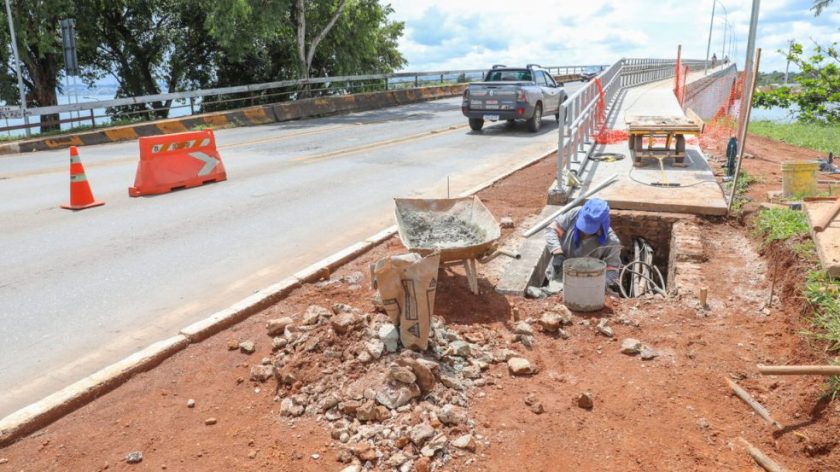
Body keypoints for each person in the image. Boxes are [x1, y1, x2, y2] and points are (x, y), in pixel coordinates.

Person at [544, 198, 621, 293]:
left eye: (591, 228)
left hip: (588, 285)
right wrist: (557, 253)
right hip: (558, 277)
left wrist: (595, 286)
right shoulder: (575, 214)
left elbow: (612, 270)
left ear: (602, 224)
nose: (585, 231)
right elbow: (552, 230)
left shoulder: (611, 242)